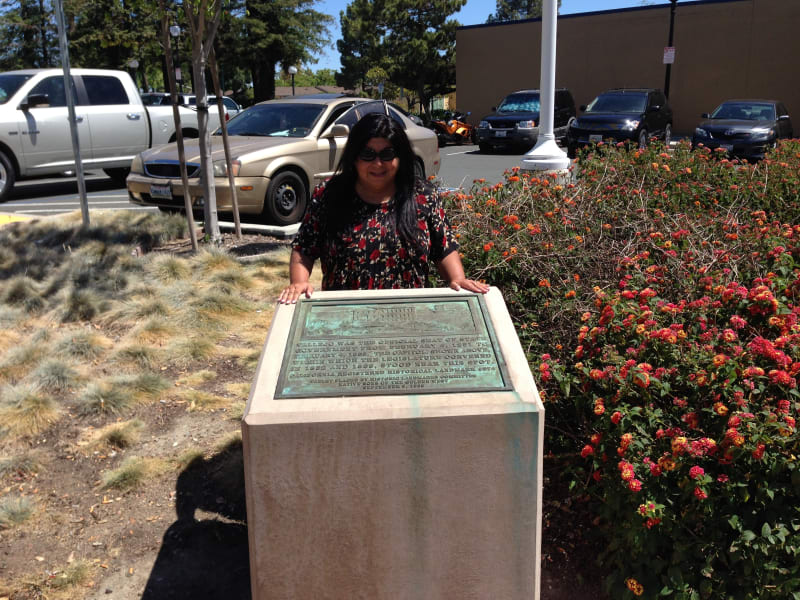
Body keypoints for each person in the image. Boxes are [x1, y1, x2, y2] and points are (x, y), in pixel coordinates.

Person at [278, 111, 488, 304]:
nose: (378, 164)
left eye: (387, 154)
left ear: (401, 157)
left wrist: (458, 279)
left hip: (410, 317)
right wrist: (299, 282)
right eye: (367, 154)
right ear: (353, 157)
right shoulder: (328, 195)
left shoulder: (423, 195)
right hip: (346, 319)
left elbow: (444, 248)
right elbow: (304, 248)